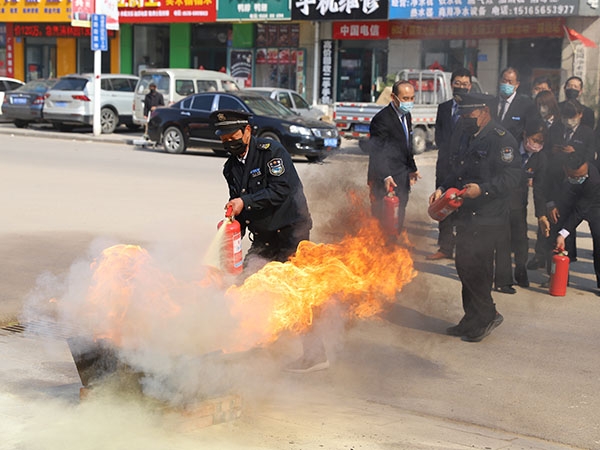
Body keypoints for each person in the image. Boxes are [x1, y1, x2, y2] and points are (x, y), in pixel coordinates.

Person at [209, 109, 327, 374]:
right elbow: (241, 210)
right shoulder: (230, 168)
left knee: (295, 292)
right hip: (263, 237)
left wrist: (244, 201)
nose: (229, 141)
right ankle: (252, 345)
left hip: (290, 233)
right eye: (223, 137)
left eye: (233, 135)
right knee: (243, 285)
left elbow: (280, 189)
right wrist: (229, 236)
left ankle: (315, 355)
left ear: (248, 131)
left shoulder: (270, 151)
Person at [429, 93, 521, 342]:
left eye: (468, 114)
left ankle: (487, 315)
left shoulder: (501, 140)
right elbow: (459, 170)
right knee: (464, 265)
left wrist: (483, 189)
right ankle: (471, 317)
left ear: (484, 111)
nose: (464, 118)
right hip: (466, 212)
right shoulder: (468, 136)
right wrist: (443, 187)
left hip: (489, 215)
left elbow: (513, 177)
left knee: (476, 267)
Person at [427, 67, 472, 260]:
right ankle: (445, 247)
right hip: (445, 165)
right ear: (451, 84)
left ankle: (463, 249)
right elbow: (439, 134)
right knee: (442, 205)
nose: (461, 87)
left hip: (465, 166)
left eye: (465, 84)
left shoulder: (474, 110)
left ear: (470, 87)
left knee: (463, 206)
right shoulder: (444, 107)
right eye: (458, 84)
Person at [367, 80, 420, 238]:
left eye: (412, 98)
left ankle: (394, 247)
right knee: (382, 219)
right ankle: (380, 252)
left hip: (402, 176)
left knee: (398, 214)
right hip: (384, 178)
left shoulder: (406, 116)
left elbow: (407, 146)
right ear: (393, 97)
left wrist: (412, 169)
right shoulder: (382, 119)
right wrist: (386, 176)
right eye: (405, 98)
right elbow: (378, 151)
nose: (409, 102)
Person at [501, 117, 549, 289]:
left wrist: (541, 214)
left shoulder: (540, 159)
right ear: (525, 135)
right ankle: (503, 277)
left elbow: (539, 189)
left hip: (519, 205)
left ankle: (521, 270)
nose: (536, 144)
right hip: (500, 200)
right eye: (535, 140)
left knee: (521, 239)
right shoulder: (509, 149)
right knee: (502, 240)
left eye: (541, 141)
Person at [554, 154, 600, 292]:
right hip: (567, 202)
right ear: (566, 169)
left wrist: (563, 233)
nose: (581, 178)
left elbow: (580, 210)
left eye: (583, 175)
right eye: (576, 176)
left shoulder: (593, 180)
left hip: (594, 206)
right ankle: (559, 278)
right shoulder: (556, 169)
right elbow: (548, 187)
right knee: (559, 236)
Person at [490, 67, 535, 141]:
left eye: (510, 82)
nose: (506, 84)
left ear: (517, 84)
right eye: (504, 81)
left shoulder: (525, 105)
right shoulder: (491, 102)